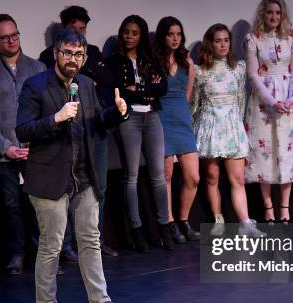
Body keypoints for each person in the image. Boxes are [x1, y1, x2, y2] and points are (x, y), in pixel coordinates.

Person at [16, 29, 133, 303]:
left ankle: (102, 302)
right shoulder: (35, 86)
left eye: (78, 54)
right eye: (67, 53)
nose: (72, 59)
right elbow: (23, 130)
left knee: (90, 241)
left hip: (84, 176)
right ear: (56, 53)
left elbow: (96, 123)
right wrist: (55, 118)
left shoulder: (87, 85)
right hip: (49, 179)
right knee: (52, 244)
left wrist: (117, 114)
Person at [39, 5, 118, 258]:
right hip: (66, 135)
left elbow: (106, 79)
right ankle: (67, 246)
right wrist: (85, 74)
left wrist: (88, 74)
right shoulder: (47, 56)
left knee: (99, 189)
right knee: (68, 190)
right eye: (75, 29)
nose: (80, 34)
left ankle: (96, 239)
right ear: (63, 30)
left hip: (94, 129)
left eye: (83, 29)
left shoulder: (92, 52)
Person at [0, 14, 46, 275]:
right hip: (5, 155)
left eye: (14, 35)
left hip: (36, 151)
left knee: (40, 205)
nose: (11, 41)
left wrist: (38, 143)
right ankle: (17, 254)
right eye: (5, 37)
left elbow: (46, 110)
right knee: (12, 206)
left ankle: (43, 255)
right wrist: (5, 146)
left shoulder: (38, 68)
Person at [106, 15, 174, 253]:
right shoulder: (114, 61)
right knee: (131, 175)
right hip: (129, 118)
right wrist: (143, 91)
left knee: (158, 175)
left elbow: (162, 87)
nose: (129, 36)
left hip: (152, 117)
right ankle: (137, 231)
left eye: (134, 33)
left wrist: (140, 90)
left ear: (141, 35)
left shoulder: (150, 59)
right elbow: (117, 92)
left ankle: (164, 228)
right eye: (126, 31)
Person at [191, 23, 265, 237]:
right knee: (212, 177)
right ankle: (218, 219)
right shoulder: (200, 71)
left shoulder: (239, 67)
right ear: (210, 44)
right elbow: (195, 104)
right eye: (218, 40)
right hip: (210, 127)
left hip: (232, 127)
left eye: (226, 40)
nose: (223, 44)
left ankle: (245, 223)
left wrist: (240, 126)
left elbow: (241, 99)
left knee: (238, 179)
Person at [244, 0, 293, 224]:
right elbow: (253, 75)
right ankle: (268, 208)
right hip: (262, 105)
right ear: (263, 13)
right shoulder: (253, 39)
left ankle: (284, 207)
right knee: (264, 155)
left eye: (278, 13)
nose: (274, 16)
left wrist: (290, 98)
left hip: (288, 103)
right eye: (270, 12)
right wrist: (272, 101)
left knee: (286, 155)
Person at [153, 16, 200, 243]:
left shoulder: (188, 63)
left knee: (193, 176)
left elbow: (188, 95)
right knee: (167, 175)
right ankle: (170, 222)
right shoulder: (154, 62)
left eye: (178, 34)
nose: (175, 38)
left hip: (182, 120)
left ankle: (184, 219)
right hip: (161, 119)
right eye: (171, 34)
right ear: (163, 36)